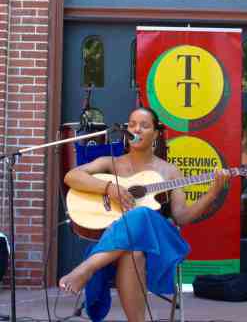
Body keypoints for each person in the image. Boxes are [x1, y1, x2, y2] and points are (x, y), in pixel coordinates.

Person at [59, 107, 230, 322]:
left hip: (159, 241)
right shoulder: (111, 163)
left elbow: (182, 217)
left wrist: (212, 193)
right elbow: (72, 176)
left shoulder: (169, 171)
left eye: (144, 125)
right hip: (122, 246)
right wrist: (109, 188)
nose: (136, 129)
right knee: (134, 252)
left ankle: (88, 267)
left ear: (156, 134)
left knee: (141, 214)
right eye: (132, 125)